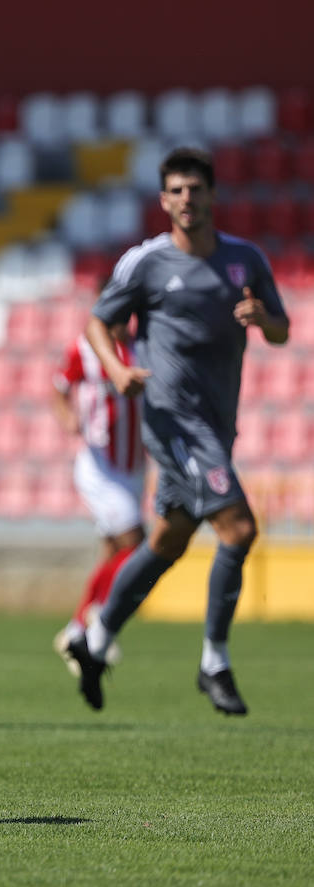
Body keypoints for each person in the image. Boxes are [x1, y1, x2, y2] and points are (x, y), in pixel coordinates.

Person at [66, 147, 289, 715]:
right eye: (177, 191)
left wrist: (265, 322)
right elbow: (97, 322)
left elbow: (283, 330)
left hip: (218, 422)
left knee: (167, 542)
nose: (187, 199)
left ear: (212, 195)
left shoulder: (246, 260)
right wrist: (117, 369)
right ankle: (215, 662)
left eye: (196, 188)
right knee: (237, 529)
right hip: (172, 421)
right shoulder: (146, 263)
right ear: (164, 201)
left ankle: (95, 638)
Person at [48, 320, 144, 674]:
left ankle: (78, 631)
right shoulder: (84, 348)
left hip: (134, 464)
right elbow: (58, 388)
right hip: (100, 464)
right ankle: (96, 618)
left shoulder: (141, 344)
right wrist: (67, 416)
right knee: (136, 543)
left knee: (112, 551)